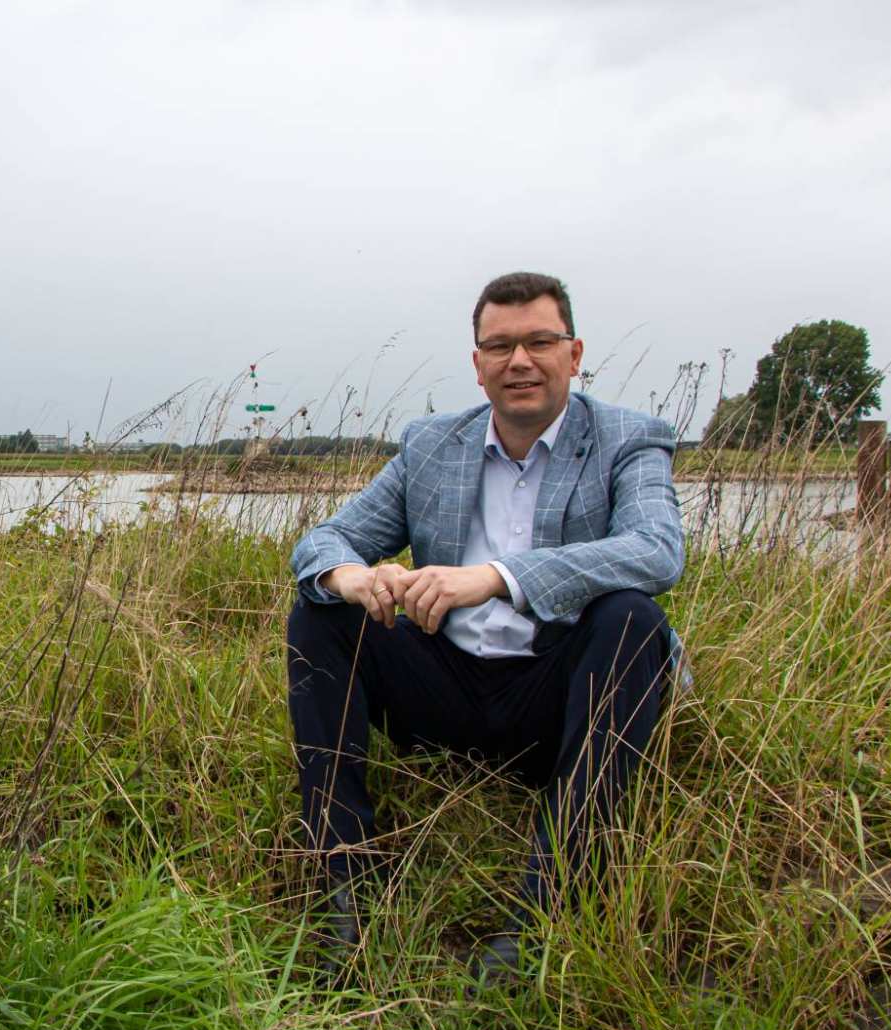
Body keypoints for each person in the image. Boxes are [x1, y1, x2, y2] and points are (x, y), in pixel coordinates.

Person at [286, 271, 685, 982]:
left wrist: (498, 577)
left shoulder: (629, 439)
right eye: (499, 346)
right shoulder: (433, 444)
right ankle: (344, 884)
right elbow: (326, 540)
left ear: (574, 352)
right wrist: (354, 576)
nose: (520, 361)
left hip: (556, 698)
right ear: (478, 365)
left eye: (539, 341)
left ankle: (544, 910)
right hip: (444, 688)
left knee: (632, 618)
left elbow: (656, 549)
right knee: (318, 608)